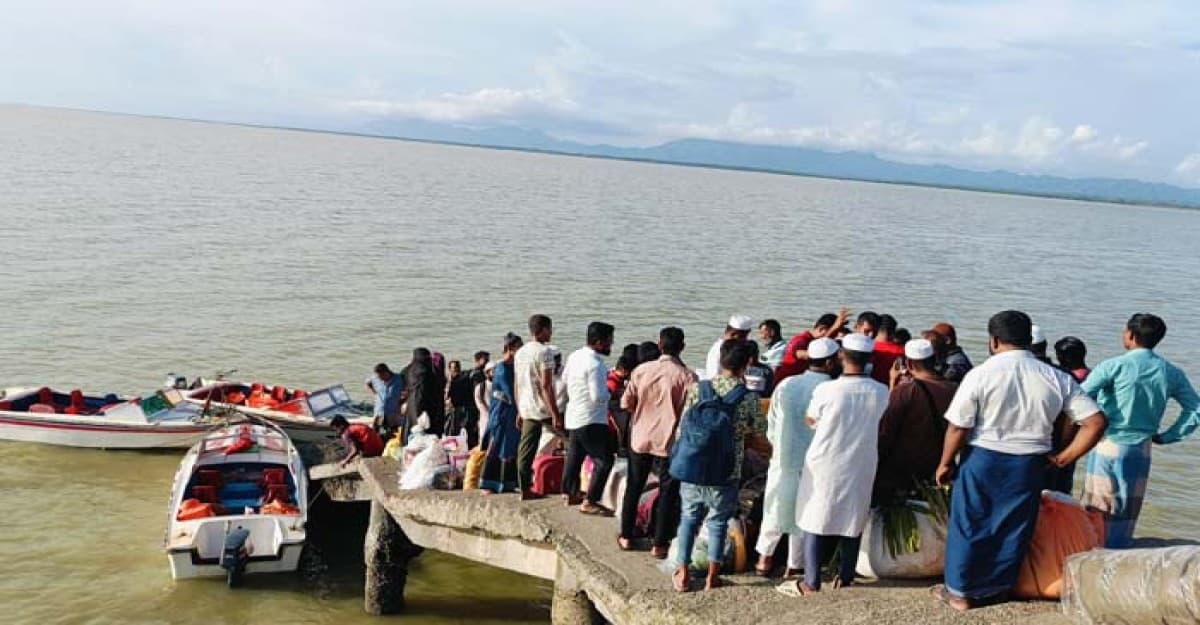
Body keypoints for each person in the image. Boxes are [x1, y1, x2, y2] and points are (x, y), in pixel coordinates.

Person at [931, 310, 1105, 612]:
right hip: (1028, 463)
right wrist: (1063, 457)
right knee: (1013, 525)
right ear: (1028, 340)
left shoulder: (980, 374)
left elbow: (958, 427)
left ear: (994, 340)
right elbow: (1096, 422)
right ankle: (997, 588)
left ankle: (959, 592)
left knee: (969, 523)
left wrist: (945, 463)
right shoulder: (1055, 377)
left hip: (983, 458)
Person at [781, 333, 889, 596]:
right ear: (869, 359)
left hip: (826, 460)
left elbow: (811, 419)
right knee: (853, 516)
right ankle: (846, 575)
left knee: (815, 516)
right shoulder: (881, 390)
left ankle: (811, 581)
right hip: (861, 461)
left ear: (841, 356)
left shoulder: (827, 390)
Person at [1080, 314, 1200, 548]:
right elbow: (1195, 408)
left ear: (1131, 336)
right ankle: (1119, 551)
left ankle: (1093, 554)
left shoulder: (1113, 366)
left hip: (1109, 443)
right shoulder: (1170, 371)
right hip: (1142, 448)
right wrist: (1169, 436)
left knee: (1097, 509)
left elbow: (1080, 397)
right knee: (1127, 510)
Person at [671, 340, 765, 592]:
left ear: (721, 359)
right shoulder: (748, 397)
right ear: (747, 365)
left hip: (692, 466)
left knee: (688, 519)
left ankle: (683, 573)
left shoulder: (697, 389)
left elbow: (682, 427)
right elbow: (759, 431)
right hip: (727, 470)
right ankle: (713, 577)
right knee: (718, 523)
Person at [755, 337, 838, 578]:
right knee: (805, 512)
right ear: (830, 362)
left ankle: (764, 559)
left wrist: (779, 447)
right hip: (816, 462)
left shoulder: (787, 384)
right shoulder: (832, 390)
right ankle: (794, 565)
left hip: (784, 456)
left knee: (775, 506)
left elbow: (771, 425)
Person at [618, 327, 697, 556]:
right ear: (682, 347)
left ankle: (626, 536)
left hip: (640, 438)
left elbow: (625, 403)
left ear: (660, 345)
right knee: (667, 493)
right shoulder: (688, 377)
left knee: (634, 487)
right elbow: (691, 414)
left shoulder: (641, 370)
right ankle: (659, 543)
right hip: (669, 442)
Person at [873, 338, 957, 504]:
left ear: (909, 364)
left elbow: (886, 432)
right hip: (937, 468)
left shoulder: (906, 391)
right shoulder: (955, 389)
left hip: (902, 472)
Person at [561, 322, 617, 515]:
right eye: (609, 341)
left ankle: (570, 493)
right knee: (604, 460)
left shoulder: (574, 356)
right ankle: (590, 501)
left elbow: (565, 380)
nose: (611, 345)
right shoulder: (596, 364)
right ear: (599, 342)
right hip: (591, 418)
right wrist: (611, 394)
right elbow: (598, 396)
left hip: (574, 414)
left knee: (575, 457)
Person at [514, 315, 564, 500]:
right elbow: (546, 385)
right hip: (543, 408)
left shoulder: (520, 352)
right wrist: (555, 414)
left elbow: (517, 384)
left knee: (525, 451)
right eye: (549, 329)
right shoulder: (545, 352)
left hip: (527, 408)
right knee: (571, 442)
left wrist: (519, 409)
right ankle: (571, 489)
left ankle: (525, 489)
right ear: (542, 330)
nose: (551, 333)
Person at [481, 333, 523, 494]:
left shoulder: (515, 366)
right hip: (501, 412)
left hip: (512, 412)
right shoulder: (502, 368)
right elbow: (510, 392)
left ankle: (508, 482)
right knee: (497, 444)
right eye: (518, 347)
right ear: (510, 348)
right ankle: (488, 483)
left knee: (510, 445)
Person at [775, 308, 851, 383]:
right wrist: (833, 329)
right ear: (821, 329)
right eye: (834, 334)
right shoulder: (800, 340)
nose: (834, 338)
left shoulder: (812, 341)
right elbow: (815, 355)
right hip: (786, 382)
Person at [403, 347, 446, 438]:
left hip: (411, 404)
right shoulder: (427, 371)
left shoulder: (409, 369)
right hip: (426, 405)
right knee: (427, 430)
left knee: (412, 427)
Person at [704, 315, 753, 380]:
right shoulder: (718, 350)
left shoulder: (731, 348)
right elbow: (713, 377)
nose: (745, 340)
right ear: (734, 334)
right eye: (744, 337)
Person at [365, 363, 404, 440]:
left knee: (394, 434)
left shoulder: (399, 379)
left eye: (380, 376)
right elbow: (367, 382)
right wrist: (374, 392)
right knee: (378, 434)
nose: (379, 379)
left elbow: (409, 390)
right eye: (378, 377)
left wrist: (402, 401)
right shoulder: (375, 378)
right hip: (379, 412)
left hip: (393, 413)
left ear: (386, 372)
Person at [447, 360, 479, 446]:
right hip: (458, 408)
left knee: (461, 430)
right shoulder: (451, 380)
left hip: (463, 408)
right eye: (454, 368)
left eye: (457, 368)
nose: (455, 370)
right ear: (449, 369)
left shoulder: (463, 379)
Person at [870, 314, 905, 385]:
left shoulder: (866, 348)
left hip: (868, 387)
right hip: (892, 388)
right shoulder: (902, 351)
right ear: (893, 331)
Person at [475, 361, 496, 447]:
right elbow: (479, 402)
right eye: (492, 371)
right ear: (486, 373)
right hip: (485, 419)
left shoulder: (500, 385)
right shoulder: (480, 387)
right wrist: (487, 413)